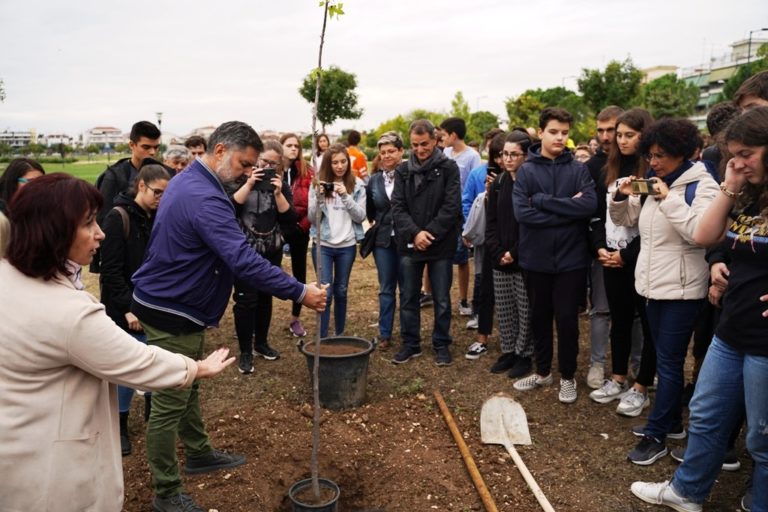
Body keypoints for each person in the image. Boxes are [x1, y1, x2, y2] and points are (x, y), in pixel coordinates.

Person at [0, 173, 234, 512]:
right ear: (53, 231)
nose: (101, 233)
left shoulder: (10, 277)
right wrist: (196, 367)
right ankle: (167, 490)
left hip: (18, 450)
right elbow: (137, 362)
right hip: (55, 478)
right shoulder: (69, 314)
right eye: (88, 224)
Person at [130, 121, 327, 512]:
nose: (245, 172)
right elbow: (240, 258)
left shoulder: (196, 184)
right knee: (170, 399)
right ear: (219, 151)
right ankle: (167, 491)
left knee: (189, 384)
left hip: (179, 302)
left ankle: (199, 452)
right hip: (173, 308)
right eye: (242, 163)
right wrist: (300, 291)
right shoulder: (202, 195)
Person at [631, 106, 768, 512]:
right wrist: (729, 186)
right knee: (706, 415)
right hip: (732, 327)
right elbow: (707, 236)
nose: (738, 162)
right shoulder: (747, 193)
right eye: (732, 154)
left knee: (761, 437)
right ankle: (688, 492)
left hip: (764, 340)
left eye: (747, 153)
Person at [608, 117, 719, 466]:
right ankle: (671, 424)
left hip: (683, 291)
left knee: (670, 365)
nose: (653, 162)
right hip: (652, 286)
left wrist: (667, 197)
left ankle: (656, 435)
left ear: (684, 153)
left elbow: (699, 233)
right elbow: (628, 221)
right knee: (666, 361)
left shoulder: (702, 186)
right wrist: (619, 195)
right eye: (650, 155)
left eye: (661, 156)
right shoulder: (656, 183)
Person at [511, 107, 597, 404]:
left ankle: (568, 377)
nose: (560, 137)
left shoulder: (578, 169)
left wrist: (545, 202)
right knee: (539, 317)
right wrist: (566, 210)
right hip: (535, 258)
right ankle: (543, 370)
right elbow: (523, 214)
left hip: (571, 260)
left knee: (567, 321)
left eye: (564, 133)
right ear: (541, 132)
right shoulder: (526, 170)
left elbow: (588, 207)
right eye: (554, 132)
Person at [100, 159, 172, 456]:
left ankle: (153, 417)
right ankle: (120, 425)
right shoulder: (117, 218)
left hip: (150, 304)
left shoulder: (152, 216)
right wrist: (130, 309)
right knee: (127, 371)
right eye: (157, 193)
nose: (160, 199)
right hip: (123, 310)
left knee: (153, 360)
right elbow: (111, 273)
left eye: (164, 195)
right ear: (141, 185)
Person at [587, 108, 655, 415]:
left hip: (640, 258)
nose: (622, 140)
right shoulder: (609, 168)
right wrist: (601, 248)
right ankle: (617, 377)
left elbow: (651, 221)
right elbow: (600, 215)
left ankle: (642, 384)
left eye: (629, 135)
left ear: (644, 136)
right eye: (620, 135)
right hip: (611, 255)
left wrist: (625, 255)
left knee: (647, 321)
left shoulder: (651, 172)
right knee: (620, 319)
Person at [390, 119, 462, 367]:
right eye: (415, 145)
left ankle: (441, 342)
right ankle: (411, 343)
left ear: (435, 141)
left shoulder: (449, 168)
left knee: (441, 298)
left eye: (425, 145)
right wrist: (414, 233)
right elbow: (397, 206)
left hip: (440, 243)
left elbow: (451, 206)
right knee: (408, 296)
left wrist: (428, 233)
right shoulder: (402, 170)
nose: (420, 150)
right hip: (410, 243)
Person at [231, 139, 296, 372]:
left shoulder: (282, 186)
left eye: (273, 164)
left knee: (265, 297)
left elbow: (290, 219)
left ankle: (261, 343)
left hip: (271, 251)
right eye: (264, 161)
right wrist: (249, 184)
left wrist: (278, 193)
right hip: (244, 251)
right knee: (246, 300)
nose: (267, 166)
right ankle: (245, 351)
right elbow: (230, 208)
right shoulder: (240, 181)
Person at [486, 130, 535, 378]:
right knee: (505, 307)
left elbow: (531, 225)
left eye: (514, 154)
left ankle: (524, 354)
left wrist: (514, 253)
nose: (508, 159)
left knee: (525, 308)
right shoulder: (498, 183)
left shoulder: (531, 183)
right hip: (499, 256)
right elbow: (491, 221)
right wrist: (497, 251)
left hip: (523, 258)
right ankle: (508, 350)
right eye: (505, 154)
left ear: (526, 156)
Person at [308, 143, 366, 338]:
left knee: (341, 291)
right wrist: (320, 197)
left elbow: (360, 217)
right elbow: (311, 217)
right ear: (328, 164)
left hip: (347, 245)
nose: (340, 166)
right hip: (323, 244)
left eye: (343, 162)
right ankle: (322, 337)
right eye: (335, 162)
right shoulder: (318, 183)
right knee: (326, 292)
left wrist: (345, 196)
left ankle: (340, 334)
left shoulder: (357, 184)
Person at [585, 105, 624, 389]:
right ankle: (597, 364)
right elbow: (592, 211)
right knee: (600, 309)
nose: (606, 136)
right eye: (600, 130)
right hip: (601, 249)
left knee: (634, 313)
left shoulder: (638, 164)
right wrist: (599, 247)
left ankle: (634, 363)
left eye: (611, 129)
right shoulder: (590, 166)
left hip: (633, 250)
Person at [462, 132, 505, 358]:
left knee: (512, 295)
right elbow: (469, 202)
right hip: (489, 238)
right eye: (497, 156)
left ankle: (513, 342)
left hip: (513, 242)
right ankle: (482, 337)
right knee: (485, 287)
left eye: (506, 155)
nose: (501, 161)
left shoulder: (522, 176)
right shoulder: (481, 174)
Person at [366, 131, 405, 349]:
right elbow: (370, 212)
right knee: (386, 287)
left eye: (391, 151)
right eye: (383, 153)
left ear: (401, 151)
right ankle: (385, 334)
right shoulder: (373, 181)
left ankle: (410, 334)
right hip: (383, 241)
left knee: (408, 288)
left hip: (406, 239)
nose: (387, 156)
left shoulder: (410, 175)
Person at [441, 117, 482, 317]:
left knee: (462, 258)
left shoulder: (472, 156)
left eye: (444, 134)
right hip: (444, 212)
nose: (442, 138)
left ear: (453, 135)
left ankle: (464, 299)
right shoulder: (445, 153)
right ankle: (439, 296)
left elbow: (474, 185)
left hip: (462, 214)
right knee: (443, 257)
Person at [280, 132, 315, 338]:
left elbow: (313, 203)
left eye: (296, 146)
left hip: (300, 229)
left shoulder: (307, 172)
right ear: (281, 147)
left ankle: (295, 318)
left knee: (299, 273)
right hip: (277, 230)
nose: (294, 149)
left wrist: (302, 226)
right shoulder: (273, 170)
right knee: (268, 270)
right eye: (289, 145)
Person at [96, 120, 161, 228]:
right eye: (146, 147)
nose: (152, 152)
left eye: (156, 147)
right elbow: (103, 218)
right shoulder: (114, 176)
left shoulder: (163, 173)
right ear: (132, 145)